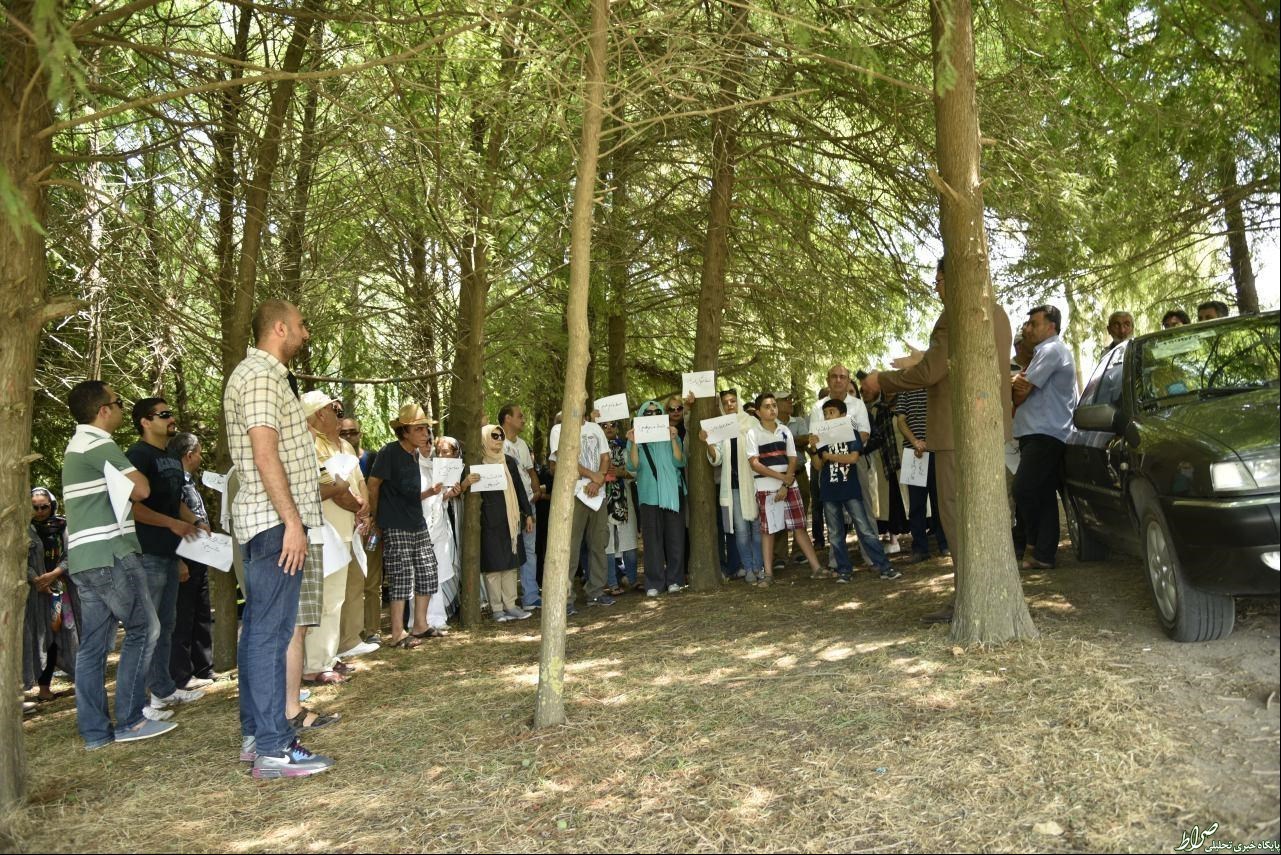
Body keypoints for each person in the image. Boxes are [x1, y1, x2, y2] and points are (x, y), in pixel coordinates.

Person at [861, 259, 1014, 624]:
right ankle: (986, 592)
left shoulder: (953, 316)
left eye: (940, 279)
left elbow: (932, 372)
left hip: (955, 433)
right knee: (986, 515)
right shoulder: (996, 312)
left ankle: (968, 598)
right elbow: (953, 364)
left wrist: (882, 379)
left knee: (955, 516)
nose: (937, 287)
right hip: (989, 429)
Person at [224, 300, 334, 778]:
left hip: (271, 522)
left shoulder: (263, 376)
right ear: (280, 327)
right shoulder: (261, 375)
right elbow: (264, 452)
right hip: (273, 523)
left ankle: (257, 737)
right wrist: (292, 521)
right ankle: (274, 748)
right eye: (303, 324)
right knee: (271, 635)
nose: (306, 334)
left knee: (261, 634)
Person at [63, 380, 176, 747]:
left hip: (83, 558)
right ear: (103, 411)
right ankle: (130, 721)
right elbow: (141, 489)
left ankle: (95, 732)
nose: (122, 410)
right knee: (146, 628)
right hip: (110, 553)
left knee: (93, 647)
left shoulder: (76, 445)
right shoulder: (98, 442)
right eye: (118, 403)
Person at [126, 397, 205, 719]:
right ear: (145, 421)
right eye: (164, 415)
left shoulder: (170, 458)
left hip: (173, 552)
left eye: (171, 413)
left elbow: (175, 503)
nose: (171, 419)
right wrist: (172, 523)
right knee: (149, 627)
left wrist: (195, 522)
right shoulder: (136, 456)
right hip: (148, 551)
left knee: (168, 623)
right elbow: (132, 506)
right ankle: (145, 703)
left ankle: (164, 689)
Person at [301, 392, 368, 684]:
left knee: (336, 598)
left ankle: (329, 656)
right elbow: (333, 489)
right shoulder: (309, 445)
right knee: (323, 599)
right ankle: (314, 664)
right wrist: (355, 505)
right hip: (322, 533)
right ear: (318, 415)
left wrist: (365, 509)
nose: (339, 415)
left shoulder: (344, 446)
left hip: (346, 531)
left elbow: (358, 484)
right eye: (334, 409)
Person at [367, 403, 444, 648]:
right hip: (395, 524)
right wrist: (374, 517)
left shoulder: (415, 455)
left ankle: (420, 625)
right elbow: (373, 484)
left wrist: (429, 492)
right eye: (420, 429)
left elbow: (408, 494)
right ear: (405, 431)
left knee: (428, 570)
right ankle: (398, 633)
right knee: (400, 576)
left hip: (416, 522)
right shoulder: (389, 452)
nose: (426, 434)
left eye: (426, 429)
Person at [1011, 305, 1077, 570]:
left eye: (1034, 323)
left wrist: (1016, 383)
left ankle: (1033, 543)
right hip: (1038, 432)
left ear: (1051, 327)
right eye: (1027, 324)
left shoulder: (1052, 350)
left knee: (1023, 489)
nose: (1027, 328)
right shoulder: (1043, 352)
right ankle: (1044, 555)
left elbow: (1020, 393)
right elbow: (1020, 388)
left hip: (1045, 433)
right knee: (1045, 494)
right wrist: (1017, 382)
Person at [812, 398, 899, 581]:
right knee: (835, 533)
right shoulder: (822, 436)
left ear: (843, 415)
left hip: (849, 488)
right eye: (826, 413)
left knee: (864, 528)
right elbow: (818, 465)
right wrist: (814, 449)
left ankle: (884, 566)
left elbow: (853, 458)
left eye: (832, 412)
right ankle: (844, 570)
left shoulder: (851, 433)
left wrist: (829, 455)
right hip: (829, 490)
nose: (828, 416)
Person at [746, 393, 823, 584]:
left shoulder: (784, 431)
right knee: (768, 530)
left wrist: (786, 484)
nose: (772, 409)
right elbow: (754, 463)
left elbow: (793, 458)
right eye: (766, 406)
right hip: (765, 487)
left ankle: (817, 568)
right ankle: (769, 574)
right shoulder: (753, 433)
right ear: (758, 412)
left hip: (790, 486)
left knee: (798, 526)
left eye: (774, 405)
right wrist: (781, 478)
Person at [549, 403, 614, 611]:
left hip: (597, 493)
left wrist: (598, 480)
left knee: (599, 542)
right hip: (574, 493)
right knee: (571, 546)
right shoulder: (559, 430)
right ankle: (565, 597)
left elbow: (605, 457)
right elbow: (563, 459)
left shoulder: (595, 429)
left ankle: (595, 591)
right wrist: (591, 476)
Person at [165, 432, 216, 692]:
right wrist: (178, 561)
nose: (200, 456)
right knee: (183, 615)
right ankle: (181, 675)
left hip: (200, 553)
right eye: (199, 451)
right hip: (184, 554)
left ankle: (203, 666)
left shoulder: (189, 481)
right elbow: (172, 521)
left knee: (201, 611)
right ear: (188, 454)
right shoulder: (173, 484)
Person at [626, 400, 687, 596]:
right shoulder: (635, 439)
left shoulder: (671, 435)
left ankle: (675, 580)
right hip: (649, 494)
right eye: (648, 413)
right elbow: (633, 467)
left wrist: (672, 439)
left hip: (672, 493)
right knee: (652, 541)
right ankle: (654, 583)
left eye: (657, 412)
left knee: (675, 538)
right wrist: (634, 443)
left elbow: (680, 462)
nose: (652, 415)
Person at [704, 389, 764, 584]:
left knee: (756, 527)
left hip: (754, 483)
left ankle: (759, 566)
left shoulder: (752, 422)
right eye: (726, 402)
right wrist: (708, 443)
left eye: (732, 401)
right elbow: (718, 458)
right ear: (721, 405)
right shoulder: (721, 426)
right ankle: (747, 568)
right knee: (740, 530)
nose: (730, 404)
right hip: (733, 486)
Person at [25, 488, 77, 703]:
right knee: (39, 638)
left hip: (58, 591)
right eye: (34, 507)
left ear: (52, 505)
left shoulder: (62, 526)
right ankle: (39, 686)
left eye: (43, 506)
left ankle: (66, 680)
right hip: (35, 594)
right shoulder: (22, 530)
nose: (39, 511)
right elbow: (17, 559)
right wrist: (36, 579)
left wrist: (54, 574)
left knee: (59, 634)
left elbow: (70, 553)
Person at [478, 424, 535, 621]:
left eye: (500, 435)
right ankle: (497, 609)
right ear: (485, 437)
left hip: (510, 520)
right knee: (494, 565)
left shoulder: (509, 462)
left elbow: (519, 489)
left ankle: (511, 605)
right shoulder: (478, 464)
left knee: (511, 562)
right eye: (494, 435)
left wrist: (527, 514)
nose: (498, 439)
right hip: (488, 522)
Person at [338, 416, 382, 649]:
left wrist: (373, 519)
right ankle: (348, 633)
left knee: (371, 582)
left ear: (360, 434)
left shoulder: (372, 458)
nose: (348, 437)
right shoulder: (334, 460)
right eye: (343, 433)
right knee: (348, 583)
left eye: (352, 432)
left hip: (372, 527)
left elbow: (376, 491)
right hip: (347, 528)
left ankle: (372, 629)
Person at [894, 387, 948, 563]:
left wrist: (930, 443)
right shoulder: (905, 390)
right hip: (913, 453)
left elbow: (943, 416)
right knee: (916, 505)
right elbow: (901, 421)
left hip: (937, 451)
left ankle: (945, 544)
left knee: (940, 501)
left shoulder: (935, 386)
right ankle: (920, 548)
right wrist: (915, 442)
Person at [499, 403, 544, 610]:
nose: (523, 419)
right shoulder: (497, 442)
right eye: (520, 416)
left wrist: (536, 492)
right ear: (507, 418)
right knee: (508, 549)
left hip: (528, 504)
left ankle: (531, 596)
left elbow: (530, 471)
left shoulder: (523, 444)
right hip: (508, 505)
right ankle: (505, 600)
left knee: (529, 549)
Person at [602, 421, 639, 593]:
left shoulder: (626, 448)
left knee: (629, 539)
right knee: (607, 542)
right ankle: (612, 583)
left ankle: (632, 580)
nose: (608, 428)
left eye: (612, 425)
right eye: (604, 425)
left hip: (624, 499)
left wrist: (621, 472)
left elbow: (635, 471)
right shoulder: (597, 448)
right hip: (602, 499)